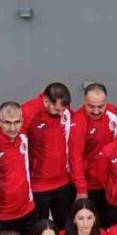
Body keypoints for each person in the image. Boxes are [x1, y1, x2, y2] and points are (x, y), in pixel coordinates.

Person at [22, 82, 77, 225]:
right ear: (46, 100)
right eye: (57, 109)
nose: (61, 113)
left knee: (66, 227)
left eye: (64, 109)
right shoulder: (28, 112)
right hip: (39, 185)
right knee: (40, 229)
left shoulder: (65, 111)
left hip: (64, 182)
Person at [0, 101, 38, 235]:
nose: (12, 128)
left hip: (28, 209)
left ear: (22, 121)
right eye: (7, 123)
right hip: (3, 215)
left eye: (17, 122)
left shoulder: (24, 137)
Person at [69, 83, 117, 208]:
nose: (96, 111)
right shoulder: (78, 122)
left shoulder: (113, 112)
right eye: (91, 106)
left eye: (100, 106)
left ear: (106, 102)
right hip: (91, 185)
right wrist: (81, 189)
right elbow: (75, 158)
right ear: (84, 101)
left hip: (112, 181)